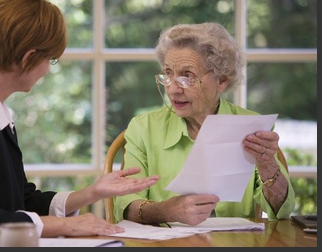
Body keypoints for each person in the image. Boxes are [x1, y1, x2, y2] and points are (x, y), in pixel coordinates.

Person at [0, 0, 160, 247]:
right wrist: (66, 225)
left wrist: (91, 193)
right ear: (28, 57)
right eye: (50, 59)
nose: (47, 69)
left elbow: (22, 201)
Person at [113, 22, 295, 226]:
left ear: (222, 80)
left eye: (187, 77)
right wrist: (166, 211)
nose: (172, 90)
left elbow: (282, 212)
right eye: (168, 74)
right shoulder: (143, 129)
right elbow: (125, 205)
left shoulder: (251, 127)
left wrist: (268, 165)